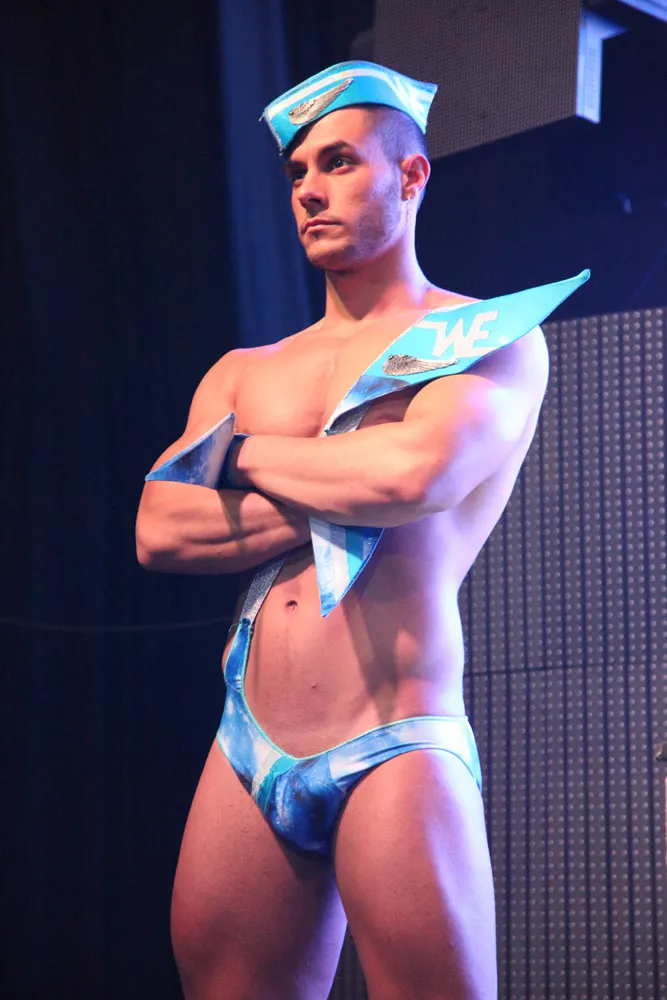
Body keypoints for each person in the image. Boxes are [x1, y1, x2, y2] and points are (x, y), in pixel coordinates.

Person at [136, 60, 549, 1000]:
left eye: (339, 163)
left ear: (410, 176)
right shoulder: (245, 370)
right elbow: (159, 526)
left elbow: (411, 475)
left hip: (392, 733)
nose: (310, 190)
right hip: (246, 742)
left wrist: (240, 456)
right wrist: (336, 479)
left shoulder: (486, 337)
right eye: (297, 173)